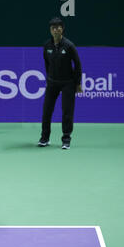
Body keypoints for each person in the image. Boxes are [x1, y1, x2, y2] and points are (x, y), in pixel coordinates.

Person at [39, 17, 83, 150]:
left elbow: (78, 64)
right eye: (53, 27)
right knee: (46, 111)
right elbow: (47, 62)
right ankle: (45, 138)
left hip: (67, 83)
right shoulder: (47, 45)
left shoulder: (69, 45)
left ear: (62, 29)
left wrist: (78, 83)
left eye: (58, 27)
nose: (56, 30)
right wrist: (49, 77)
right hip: (52, 83)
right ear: (50, 30)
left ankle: (66, 139)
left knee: (67, 111)